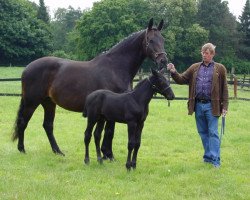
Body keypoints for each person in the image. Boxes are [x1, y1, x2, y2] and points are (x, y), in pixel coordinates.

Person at [167, 43, 228, 168]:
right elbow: (181, 79)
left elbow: (225, 89)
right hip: (198, 105)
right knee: (203, 133)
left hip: (213, 106)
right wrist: (173, 72)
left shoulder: (220, 68)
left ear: (212, 54)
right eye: (203, 52)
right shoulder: (195, 67)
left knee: (213, 133)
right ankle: (208, 158)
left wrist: (225, 106)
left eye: (207, 53)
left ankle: (215, 160)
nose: (204, 55)